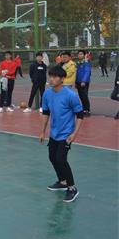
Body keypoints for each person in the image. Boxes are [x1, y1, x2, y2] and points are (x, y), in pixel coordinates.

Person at [39, 66, 84, 203]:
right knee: (52, 157)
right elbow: (46, 112)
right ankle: (63, 182)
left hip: (66, 134)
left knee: (61, 159)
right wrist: (42, 131)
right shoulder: (47, 94)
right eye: (50, 76)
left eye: (55, 77)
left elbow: (80, 115)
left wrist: (74, 134)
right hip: (54, 133)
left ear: (62, 79)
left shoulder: (71, 95)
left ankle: (72, 188)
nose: (51, 79)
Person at [75, 49, 92, 116]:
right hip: (78, 82)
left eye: (81, 54)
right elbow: (76, 73)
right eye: (79, 54)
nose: (79, 55)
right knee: (81, 96)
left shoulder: (86, 63)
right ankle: (84, 109)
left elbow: (87, 72)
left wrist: (84, 81)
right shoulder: (77, 63)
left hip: (84, 82)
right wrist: (76, 82)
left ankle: (87, 110)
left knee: (84, 96)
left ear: (84, 55)